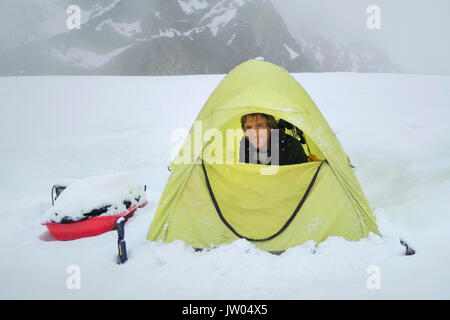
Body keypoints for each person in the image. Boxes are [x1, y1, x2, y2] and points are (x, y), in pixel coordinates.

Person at [239, 113, 318, 166]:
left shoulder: (292, 145)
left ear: (271, 128)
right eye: (249, 127)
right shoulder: (246, 146)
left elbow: (304, 181)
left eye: (259, 126)